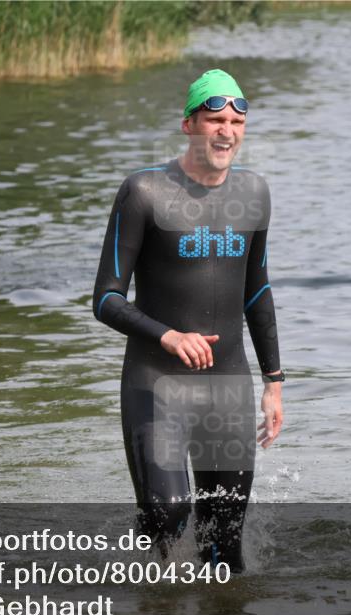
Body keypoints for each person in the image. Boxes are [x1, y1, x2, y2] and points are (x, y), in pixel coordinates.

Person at [92, 69, 284, 572]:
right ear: (188, 126)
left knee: (225, 543)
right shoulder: (145, 192)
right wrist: (169, 335)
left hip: (227, 383)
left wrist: (274, 382)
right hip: (156, 382)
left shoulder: (255, 195)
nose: (226, 132)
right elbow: (106, 299)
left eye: (235, 122)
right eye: (213, 120)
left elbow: (257, 290)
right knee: (168, 513)